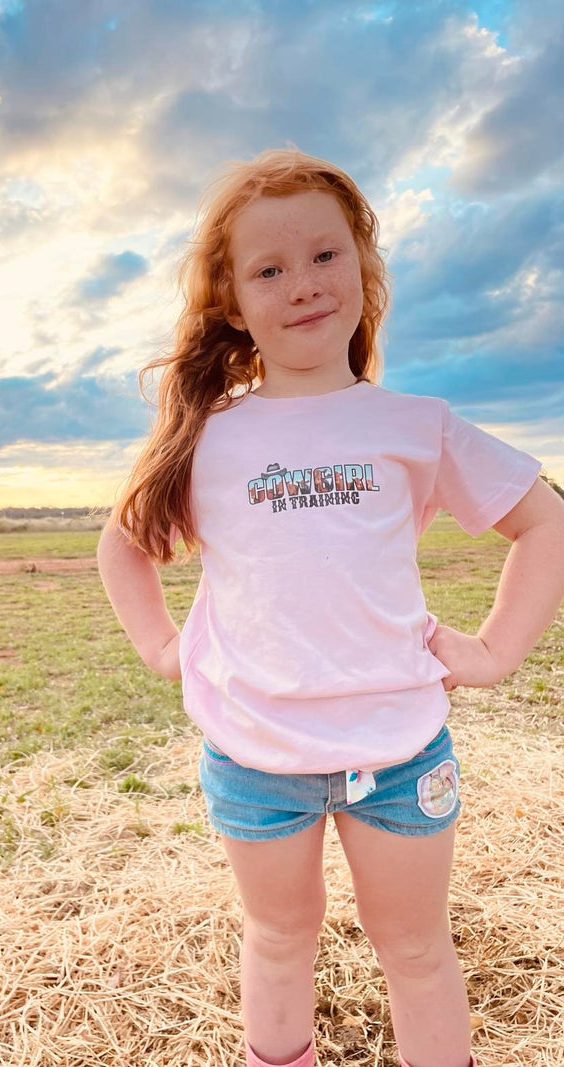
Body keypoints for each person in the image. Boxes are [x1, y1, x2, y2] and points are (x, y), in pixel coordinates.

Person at [96, 146, 564, 1067]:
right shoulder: (209, 438)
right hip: (256, 752)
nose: (303, 283)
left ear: (363, 265)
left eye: (324, 255)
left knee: (417, 949)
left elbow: (544, 520)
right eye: (268, 269)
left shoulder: (415, 423)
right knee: (278, 939)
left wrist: (497, 648)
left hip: (398, 748)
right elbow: (124, 544)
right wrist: (163, 648)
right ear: (234, 301)